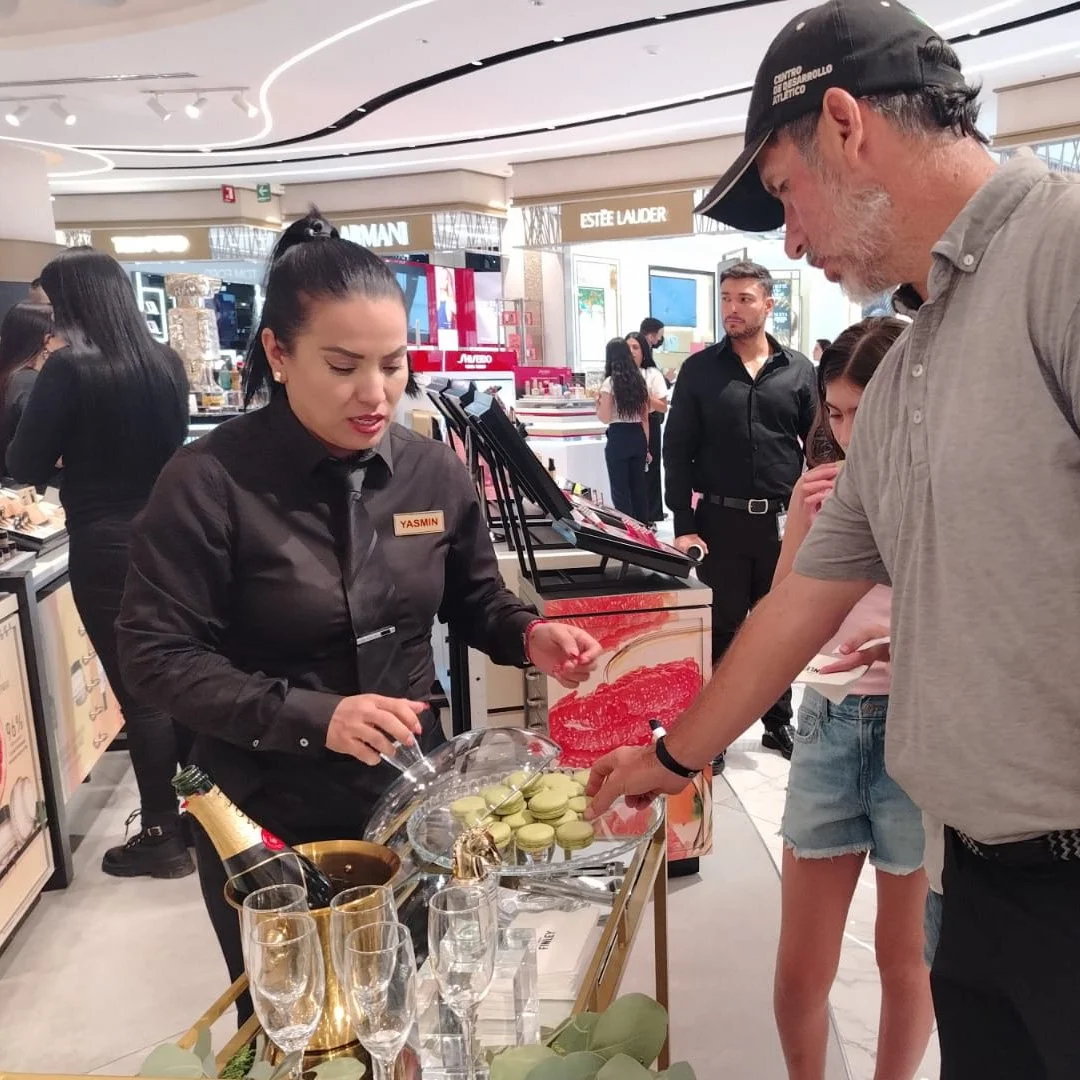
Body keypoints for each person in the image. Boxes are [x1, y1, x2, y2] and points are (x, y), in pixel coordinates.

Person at [588, 1, 1080, 1075]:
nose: (793, 240)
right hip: (976, 875)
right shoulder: (908, 368)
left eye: (784, 192)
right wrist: (672, 757)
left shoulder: (1062, 252)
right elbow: (799, 605)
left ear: (847, 125)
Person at [115, 211, 602, 1009]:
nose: (375, 393)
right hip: (265, 806)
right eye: (343, 366)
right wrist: (318, 715)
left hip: (415, 794)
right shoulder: (209, 483)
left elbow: (475, 598)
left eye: (393, 363)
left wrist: (530, 633)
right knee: (301, 1021)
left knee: (416, 1001)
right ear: (278, 353)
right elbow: (156, 656)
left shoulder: (431, 473)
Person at [772, 318, 932, 1080]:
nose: (846, 432)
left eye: (864, 412)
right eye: (835, 413)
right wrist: (803, 526)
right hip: (830, 723)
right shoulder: (818, 490)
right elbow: (782, 619)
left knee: (909, 957)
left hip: (919, 731)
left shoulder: (939, 483)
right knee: (801, 967)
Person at [7, 247, 193, 880]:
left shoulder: (70, 368)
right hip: (173, 536)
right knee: (180, 680)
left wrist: (67, 455)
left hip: (107, 541)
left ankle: (162, 834)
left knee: (140, 691)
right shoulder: (165, 362)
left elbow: (25, 464)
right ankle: (199, 818)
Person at [663, 260, 815, 764]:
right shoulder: (700, 371)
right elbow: (676, 450)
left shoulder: (798, 370)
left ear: (768, 305)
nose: (732, 308)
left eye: (744, 299)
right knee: (723, 631)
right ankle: (714, 732)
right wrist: (683, 525)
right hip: (720, 525)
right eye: (726, 298)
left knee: (780, 628)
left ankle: (778, 722)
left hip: (782, 525)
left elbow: (819, 445)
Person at [596, 337, 651, 522]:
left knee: (620, 491)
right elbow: (645, 418)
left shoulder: (610, 383)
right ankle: (643, 528)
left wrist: (597, 405)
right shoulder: (639, 381)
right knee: (639, 489)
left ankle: (628, 531)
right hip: (638, 436)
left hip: (618, 437)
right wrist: (647, 447)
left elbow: (604, 418)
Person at [0, 302, 54, 476]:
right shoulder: (30, 381)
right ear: (47, 340)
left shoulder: (11, 375)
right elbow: (45, 447)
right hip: (35, 485)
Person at [625, 330, 669, 524]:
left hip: (649, 422)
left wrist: (643, 396)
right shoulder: (617, 374)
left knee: (648, 471)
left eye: (635, 347)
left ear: (644, 351)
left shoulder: (652, 374)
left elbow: (663, 406)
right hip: (625, 425)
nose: (631, 351)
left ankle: (650, 516)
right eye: (627, 347)